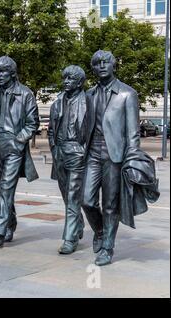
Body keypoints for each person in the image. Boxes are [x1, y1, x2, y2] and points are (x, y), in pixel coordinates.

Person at [82, 50, 141, 266]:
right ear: (94, 68)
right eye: (97, 63)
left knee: (109, 204)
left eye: (106, 62)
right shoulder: (88, 94)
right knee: (86, 200)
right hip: (92, 153)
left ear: (113, 65)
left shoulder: (127, 94)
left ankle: (107, 247)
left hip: (114, 154)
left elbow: (133, 132)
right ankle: (100, 230)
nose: (102, 66)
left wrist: (132, 159)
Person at [0, 56, 39, 248]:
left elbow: (33, 123)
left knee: (7, 188)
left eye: (3, 71)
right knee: (1, 190)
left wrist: (19, 140)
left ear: (12, 73)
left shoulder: (25, 94)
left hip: (14, 146)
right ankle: (11, 222)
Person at [48, 65, 89, 254]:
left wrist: (83, 150)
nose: (66, 82)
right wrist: (54, 148)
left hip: (77, 152)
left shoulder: (88, 102)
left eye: (70, 79)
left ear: (80, 83)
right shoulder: (56, 103)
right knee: (66, 195)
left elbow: (94, 130)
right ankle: (78, 224)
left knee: (73, 195)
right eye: (64, 78)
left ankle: (69, 238)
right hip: (60, 152)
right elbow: (50, 130)